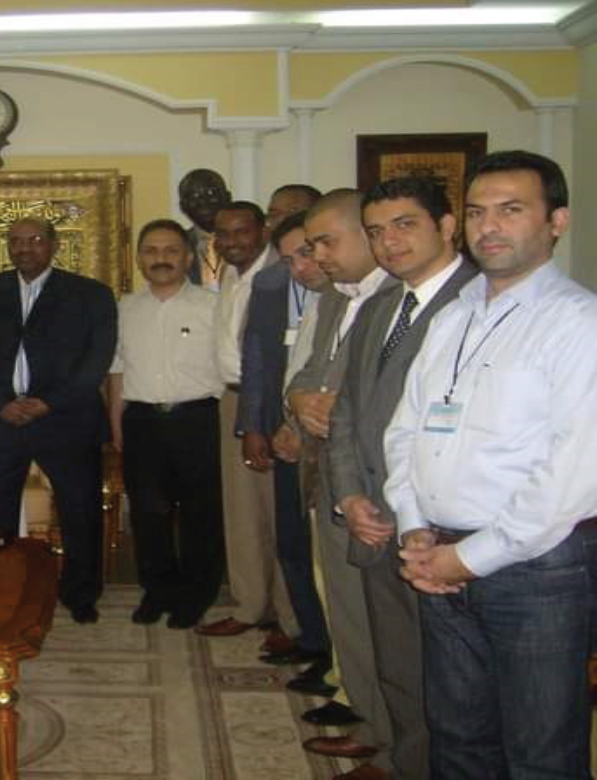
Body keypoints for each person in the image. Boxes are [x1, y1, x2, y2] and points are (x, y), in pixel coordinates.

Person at [385, 150, 597, 778]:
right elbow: (407, 429)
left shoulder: (578, 322)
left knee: (540, 750)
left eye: (511, 210)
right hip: (437, 554)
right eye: (476, 212)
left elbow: (572, 473)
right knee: (459, 739)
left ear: (557, 221)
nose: (488, 227)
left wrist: (469, 557)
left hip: (538, 570)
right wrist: (414, 526)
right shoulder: (453, 315)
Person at [325, 177, 475, 780]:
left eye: (405, 224)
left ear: (445, 226)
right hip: (374, 518)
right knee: (398, 663)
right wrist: (350, 494)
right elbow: (346, 414)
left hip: (442, 531)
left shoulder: (481, 302)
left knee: (458, 682)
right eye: (377, 230)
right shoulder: (382, 305)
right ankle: (404, 761)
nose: (389, 241)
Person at [0, 216, 116, 624]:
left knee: (80, 511)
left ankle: (80, 593)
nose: (25, 247)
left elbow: (95, 361)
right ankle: (1, 587)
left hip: (66, 421)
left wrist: (48, 403)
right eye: (17, 241)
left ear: (54, 245)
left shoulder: (91, 295)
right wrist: (0, 401)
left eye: (36, 239)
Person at [286, 189, 393, 766]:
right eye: (312, 244)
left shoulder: (399, 297)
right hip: (329, 473)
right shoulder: (331, 300)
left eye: (328, 241)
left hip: (376, 487)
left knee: (387, 626)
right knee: (347, 612)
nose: (318, 255)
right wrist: (299, 398)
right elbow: (305, 370)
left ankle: (393, 740)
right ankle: (371, 721)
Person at [106, 219, 223, 629]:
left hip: (198, 420)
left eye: (171, 251)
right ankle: (157, 591)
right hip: (142, 423)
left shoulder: (213, 306)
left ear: (188, 257)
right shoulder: (124, 309)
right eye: (152, 251)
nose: (161, 259)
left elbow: (229, 369)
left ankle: (196, 594)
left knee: (200, 514)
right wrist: (117, 424)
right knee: (148, 514)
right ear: (139, 258)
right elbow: (117, 370)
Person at [238, 209, 332, 674]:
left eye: (307, 253)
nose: (299, 267)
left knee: (323, 554)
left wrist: (297, 425)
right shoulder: (271, 284)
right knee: (292, 543)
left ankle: (333, 653)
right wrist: (256, 423)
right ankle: (311, 640)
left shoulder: (347, 299)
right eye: (289, 257)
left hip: (321, 437)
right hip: (282, 429)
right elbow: (255, 355)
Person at [199, 201, 295, 644]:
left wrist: (261, 421)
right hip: (231, 400)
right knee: (241, 512)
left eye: (241, 231)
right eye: (223, 234)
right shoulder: (230, 276)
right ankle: (251, 605)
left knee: (280, 512)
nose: (231, 241)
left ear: (264, 230)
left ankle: (290, 616)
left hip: (272, 407)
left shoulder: (283, 275)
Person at [177, 168, 232, 290]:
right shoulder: (177, 245)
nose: (203, 201)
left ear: (228, 197)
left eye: (211, 193)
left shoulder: (248, 242)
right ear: (182, 206)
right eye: (194, 196)